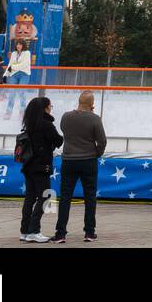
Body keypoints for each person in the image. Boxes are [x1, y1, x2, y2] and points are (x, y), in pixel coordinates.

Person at [52, 91, 107, 243]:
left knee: (65, 197)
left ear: (79, 101)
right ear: (92, 104)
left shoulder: (66, 116)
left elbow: (65, 132)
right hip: (88, 161)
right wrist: (97, 153)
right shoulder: (95, 119)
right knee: (90, 197)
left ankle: (60, 233)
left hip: (69, 160)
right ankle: (89, 232)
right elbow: (102, 140)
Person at [18, 96, 62, 243]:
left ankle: (24, 231)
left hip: (28, 166)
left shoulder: (29, 123)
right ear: (45, 108)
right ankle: (34, 230)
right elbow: (58, 140)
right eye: (50, 106)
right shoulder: (46, 125)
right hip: (42, 166)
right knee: (45, 196)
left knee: (30, 197)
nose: (51, 109)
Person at [3, 39, 33, 119]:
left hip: (24, 74)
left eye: (20, 44)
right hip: (14, 74)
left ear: (23, 45)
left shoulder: (27, 53)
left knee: (21, 92)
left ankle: (22, 112)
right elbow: (10, 64)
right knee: (11, 93)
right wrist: (6, 74)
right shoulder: (14, 53)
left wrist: (13, 67)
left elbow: (24, 65)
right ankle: (8, 112)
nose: (18, 46)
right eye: (17, 44)